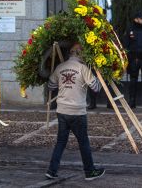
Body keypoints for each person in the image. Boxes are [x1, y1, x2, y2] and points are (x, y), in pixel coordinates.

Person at [45, 43, 105, 181]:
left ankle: (51, 170)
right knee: (83, 142)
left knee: (61, 142)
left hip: (62, 110)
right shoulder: (83, 68)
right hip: (77, 112)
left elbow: (50, 86)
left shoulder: (60, 67)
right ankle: (90, 172)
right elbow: (96, 88)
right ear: (80, 54)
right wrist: (100, 75)